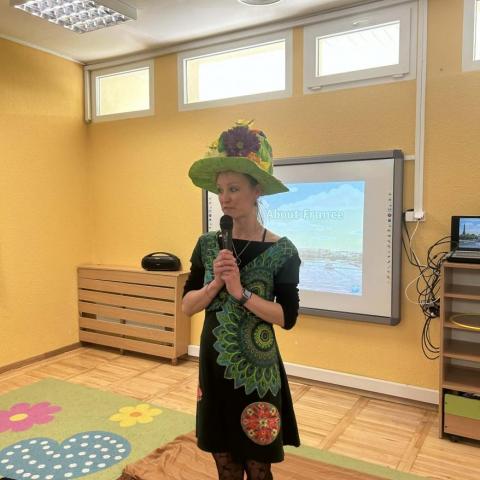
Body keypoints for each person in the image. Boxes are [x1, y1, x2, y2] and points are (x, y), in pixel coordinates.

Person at [182, 121, 301, 480]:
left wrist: (241, 293)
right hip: (214, 369)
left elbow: (286, 317)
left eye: (234, 189)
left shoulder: (283, 251)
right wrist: (215, 285)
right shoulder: (207, 245)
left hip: (258, 375)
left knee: (258, 466)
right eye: (220, 190)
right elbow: (187, 306)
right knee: (227, 468)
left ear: (257, 190)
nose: (225, 198)